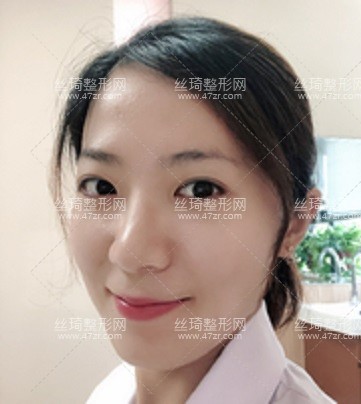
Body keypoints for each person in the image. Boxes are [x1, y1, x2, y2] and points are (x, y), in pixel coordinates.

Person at [51, 16, 336, 404]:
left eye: (201, 190)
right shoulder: (110, 392)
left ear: (294, 223)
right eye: (102, 187)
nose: (130, 252)